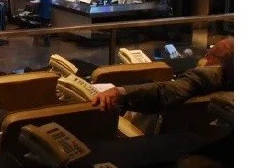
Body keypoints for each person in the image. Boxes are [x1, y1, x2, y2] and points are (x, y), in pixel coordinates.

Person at [92, 37, 234, 114]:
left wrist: (120, 92)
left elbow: (164, 92)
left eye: (210, 54)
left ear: (221, 60)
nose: (206, 57)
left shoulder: (204, 76)